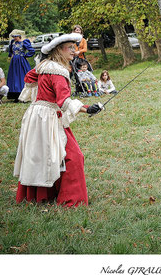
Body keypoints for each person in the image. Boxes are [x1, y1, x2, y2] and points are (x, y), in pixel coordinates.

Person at [13, 33, 103, 207]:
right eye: (69, 47)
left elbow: (29, 78)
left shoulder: (44, 65)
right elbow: (63, 102)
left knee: (40, 155)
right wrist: (87, 108)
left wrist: (40, 95)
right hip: (48, 117)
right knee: (73, 156)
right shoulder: (59, 71)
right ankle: (71, 199)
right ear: (58, 50)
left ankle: (38, 196)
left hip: (35, 115)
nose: (74, 51)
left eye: (74, 47)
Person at [7, 33, 35, 101]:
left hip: (22, 61)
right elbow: (10, 51)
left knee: (23, 76)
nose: (14, 38)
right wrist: (11, 55)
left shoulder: (24, 42)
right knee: (14, 77)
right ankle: (16, 95)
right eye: (13, 36)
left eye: (15, 36)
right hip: (14, 62)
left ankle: (25, 95)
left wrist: (25, 55)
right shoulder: (13, 43)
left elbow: (32, 51)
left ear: (19, 36)